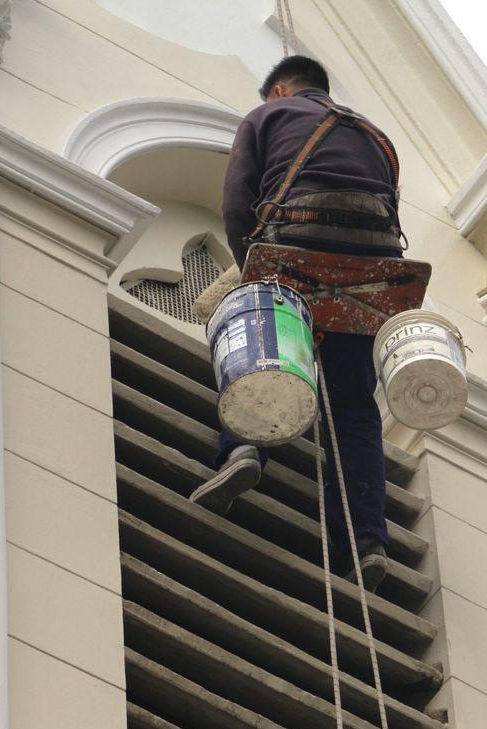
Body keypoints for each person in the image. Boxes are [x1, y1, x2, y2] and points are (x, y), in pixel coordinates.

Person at [190, 55, 404, 591]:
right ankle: (367, 540)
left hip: (295, 239)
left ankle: (244, 449)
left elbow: (238, 199)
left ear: (281, 91)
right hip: (368, 268)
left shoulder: (268, 116)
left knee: (264, 352)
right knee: (354, 407)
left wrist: (251, 270)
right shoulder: (377, 138)